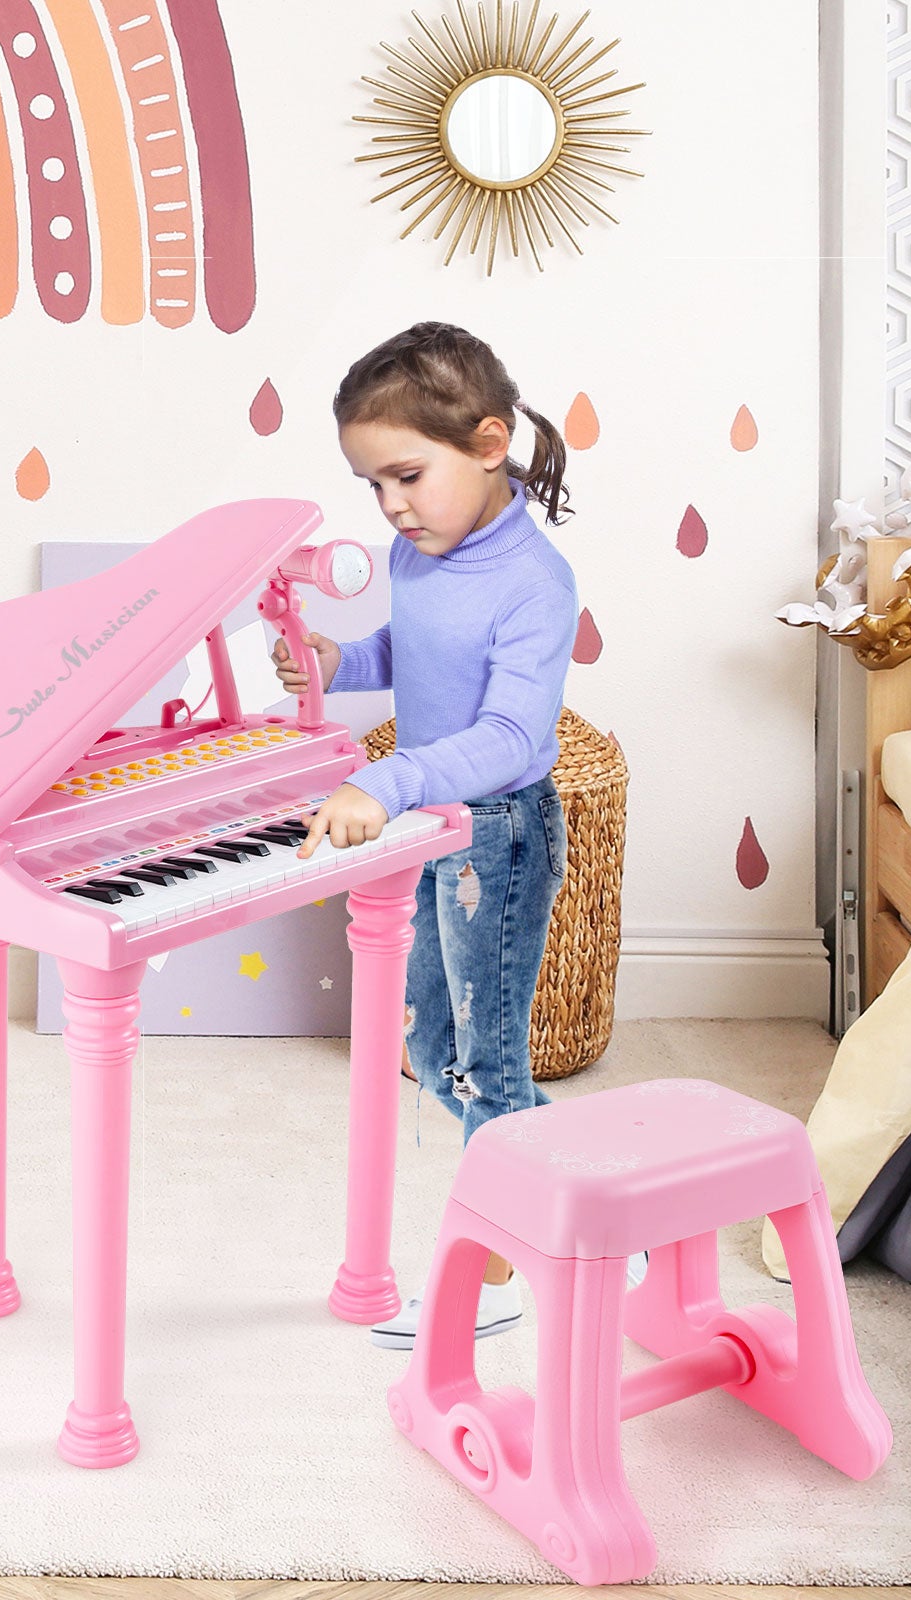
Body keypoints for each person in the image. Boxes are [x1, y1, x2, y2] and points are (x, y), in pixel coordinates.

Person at [271, 321, 585, 1349]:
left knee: (488, 1061)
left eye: (406, 476)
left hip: (495, 835)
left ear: (490, 444)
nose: (392, 507)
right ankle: (587, 1206)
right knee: (435, 1044)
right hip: (429, 826)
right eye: (373, 486)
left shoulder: (533, 582)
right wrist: (342, 660)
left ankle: (500, 1273)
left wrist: (390, 775)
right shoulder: (420, 552)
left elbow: (508, 736)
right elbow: (414, 650)